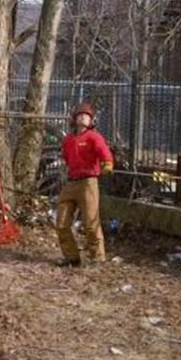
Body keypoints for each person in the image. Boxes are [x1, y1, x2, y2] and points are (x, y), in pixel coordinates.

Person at [55, 101, 113, 266]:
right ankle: (71, 257)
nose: (82, 118)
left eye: (86, 116)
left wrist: (107, 165)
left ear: (92, 121)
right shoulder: (68, 140)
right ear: (74, 119)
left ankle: (98, 257)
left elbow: (105, 154)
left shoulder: (94, 137)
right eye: (80, 115)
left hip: (88, 183)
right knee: (61, 222)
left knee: (90, 222)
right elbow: (66, 157)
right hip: (71, 182)